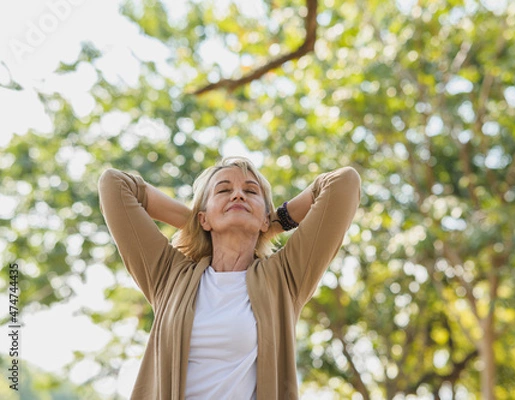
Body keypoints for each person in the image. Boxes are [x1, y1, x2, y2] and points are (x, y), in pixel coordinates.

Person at [98, 156, 360, 399]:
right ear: (203, 218)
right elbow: (115, 185)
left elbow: (343, 183)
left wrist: (273, 222)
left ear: (265, 219)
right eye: (223, 190)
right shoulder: (169, 275)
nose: (237, 194)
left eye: (250, 191)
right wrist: (197, 223)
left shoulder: (285, 276)